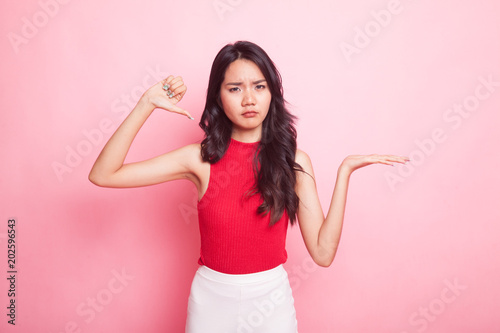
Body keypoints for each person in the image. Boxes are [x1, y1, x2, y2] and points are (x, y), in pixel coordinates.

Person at [89, 41, 408, 332]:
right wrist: (147, 103)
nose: (249, 99)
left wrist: (345, 172)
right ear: (218, 96)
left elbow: (323, 253)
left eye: (259, 86)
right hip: (211, 301)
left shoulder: (294, 162)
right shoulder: (198, 159)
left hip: (271, 300)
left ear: (273, 93)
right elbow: (104, 174)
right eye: (235, 88)